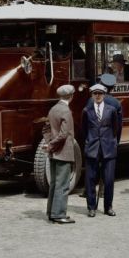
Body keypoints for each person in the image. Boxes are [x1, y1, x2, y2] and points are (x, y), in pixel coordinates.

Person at [81, 84, 119, 217]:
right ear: (92, 95)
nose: (97, 96)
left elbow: (115, 129)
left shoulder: (111, 110)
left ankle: (108, 207)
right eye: (95, 94)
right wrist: (89, 142)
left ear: (104, 95)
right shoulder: (87, 111)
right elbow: (84, 130)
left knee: (108, 180)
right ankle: (91, 207)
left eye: (100, 94)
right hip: (92, 148)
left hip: (108, 148)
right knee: (90, 179)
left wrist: (112, 143)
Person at [44, 85, 76, 224]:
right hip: (63, 152)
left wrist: (49, 144)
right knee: (63, 185)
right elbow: (64, 135)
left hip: (54, 153)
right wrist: (51, 144)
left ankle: (51, 212)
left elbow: (45, 129)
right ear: (71, 96)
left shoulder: (53, 109)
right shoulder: (66, 111)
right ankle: (59, 214)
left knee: (54, 184)